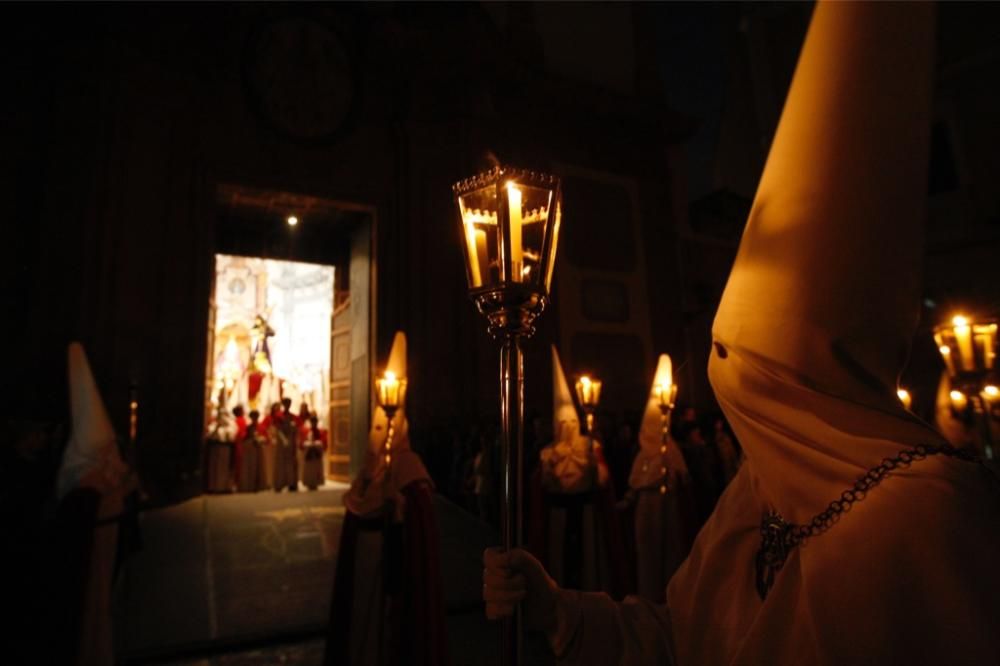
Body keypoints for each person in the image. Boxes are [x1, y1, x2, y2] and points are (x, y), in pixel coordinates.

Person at [482, 4, 1000, 664]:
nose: (725, 370)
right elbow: (681, 637)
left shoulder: (927, 518)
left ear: (800, 365)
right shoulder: (757, 492)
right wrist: (562, 610)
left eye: (745, 353)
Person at [325, 332, 447, 666]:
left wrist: (398, 510)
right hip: (365, 563)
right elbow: (357, 505)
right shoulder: (372, 469)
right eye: (375, 430)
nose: (379, 436)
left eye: (385, 430)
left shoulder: (409, 470)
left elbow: (416, 528)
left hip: (395, 571)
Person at [528, 346, 628, 597]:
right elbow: (544, 486)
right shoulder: (549, 454)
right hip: (559, 514)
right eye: (564, 424)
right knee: (561, 564)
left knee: (588, 562)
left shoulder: (590, 446)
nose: (570, 427)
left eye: (573, 422)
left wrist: (595, 463)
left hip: (586, 512)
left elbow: (602, 480)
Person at [624, 354, 698, 602]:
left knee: (670, 550)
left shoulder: (672, 449)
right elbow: (635, 482)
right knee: (649, 553)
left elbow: (684, 477)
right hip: (647, 507)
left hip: (668, 505)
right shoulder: (643, 454)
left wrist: (671, 475)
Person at [301, 414, 327, 490]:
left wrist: (318, 445)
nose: (313, 423)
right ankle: (309, 482)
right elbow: (303, 442)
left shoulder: (321, 431)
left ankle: (316, 482)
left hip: (316, 453)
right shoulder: (307, 431)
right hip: (309, 453)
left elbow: (323, 442)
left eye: (315, 422)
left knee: (316, 469)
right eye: (312, 422)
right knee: (309, 469)